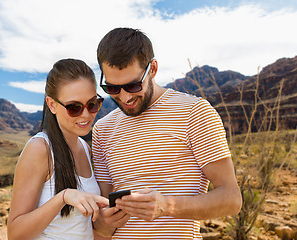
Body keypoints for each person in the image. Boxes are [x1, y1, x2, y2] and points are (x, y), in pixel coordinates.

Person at [91, 27, 242, 239]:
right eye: (113, 88)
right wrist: (102, 222)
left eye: (133, 85)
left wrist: (168, 206)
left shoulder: (194, 112)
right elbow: (102, 214)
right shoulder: (102, 130)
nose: (124, 98)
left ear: (152, 68)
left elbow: (231, 199)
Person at [7, 58, 109, 240]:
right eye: (74, 107)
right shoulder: (40, 149)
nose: (86, 114)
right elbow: (16, 234)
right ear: (52, 105)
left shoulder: (85, 148)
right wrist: (63, 197)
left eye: (93, 104)